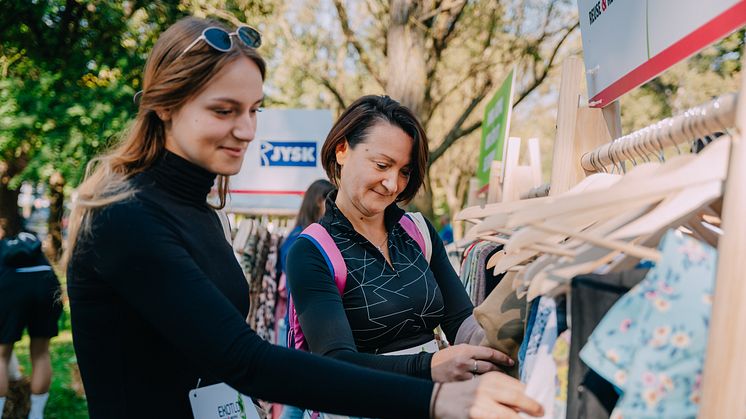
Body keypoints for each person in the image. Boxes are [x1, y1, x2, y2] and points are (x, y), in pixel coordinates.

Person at [64, 16, 542, 419]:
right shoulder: (124, 217)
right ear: (165, 105)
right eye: (224, 110)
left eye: (253, 110)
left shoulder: (198, 210)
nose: (246, 129)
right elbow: (247, 360)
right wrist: (433, 394)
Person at [286, 95, 513, 386]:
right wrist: (427, 366)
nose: (393, 184)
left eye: (404, 172)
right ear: (342, 150)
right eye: (382, 165)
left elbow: (461, 321)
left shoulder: (417, 231)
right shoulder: (310, 252)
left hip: (435, 403)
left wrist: (506, 337)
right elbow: (335, 361)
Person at [277, 179, 334, 419]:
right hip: (300, 331)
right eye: (328, 200)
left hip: (302, 329)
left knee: (299, 398)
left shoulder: (302, 237)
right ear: (317, 201)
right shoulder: (302, 241)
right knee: (297, 400)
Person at [0, 231, 62, 419]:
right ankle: (36, 414)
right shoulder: (31, 243)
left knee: (1, 355)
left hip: (10, 285)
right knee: (41, 352)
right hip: (46, 283)